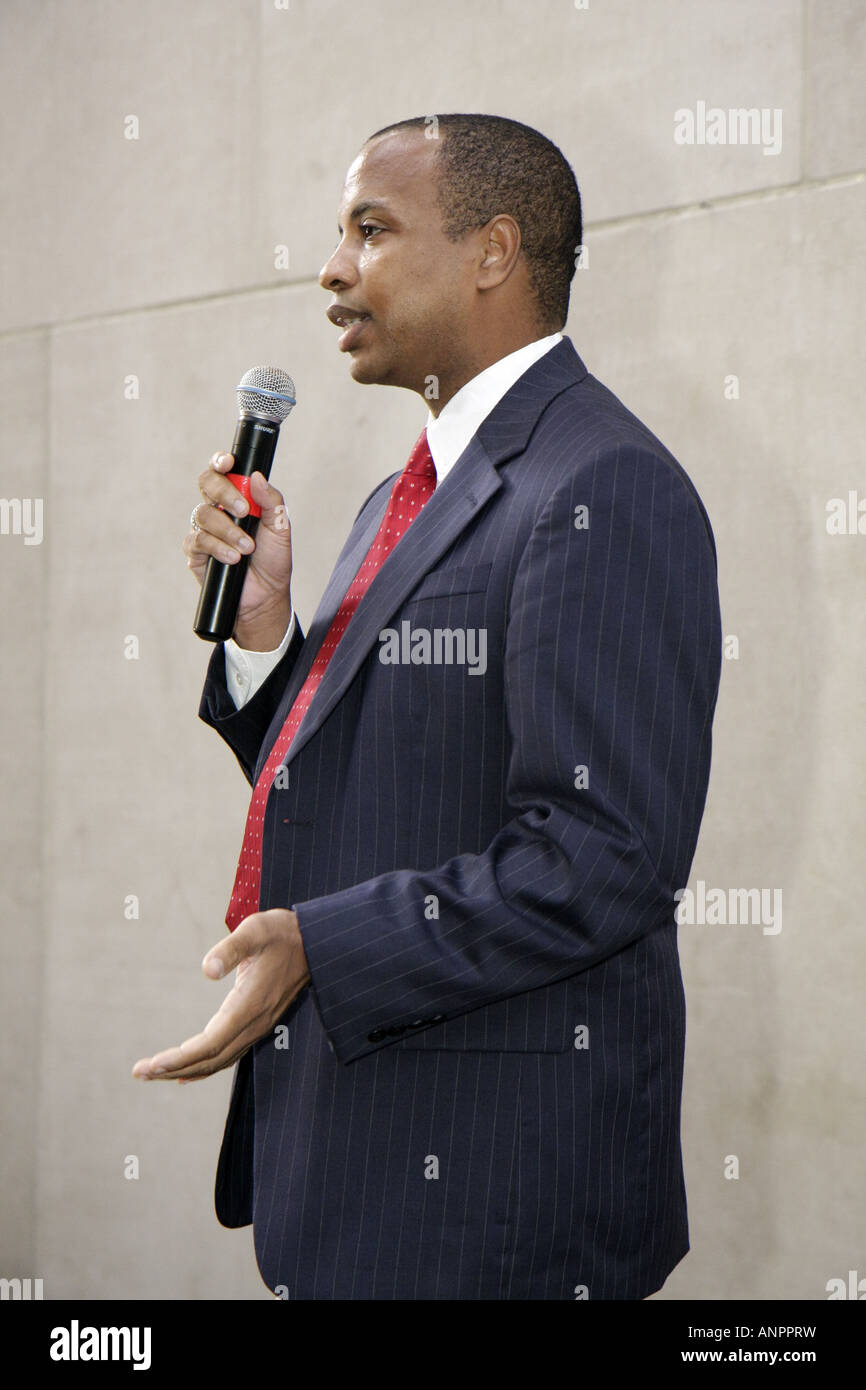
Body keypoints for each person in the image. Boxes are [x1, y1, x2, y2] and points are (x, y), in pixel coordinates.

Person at [134, 113, 722, 1301]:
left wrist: (319, 948)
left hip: (490, 1217)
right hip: (355, 1178)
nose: (331, 267)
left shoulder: (599, 482)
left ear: (492, 252)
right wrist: (263, 644)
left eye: (370, 228)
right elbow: (367, 776)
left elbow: (603, 857)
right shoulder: (399, 496)